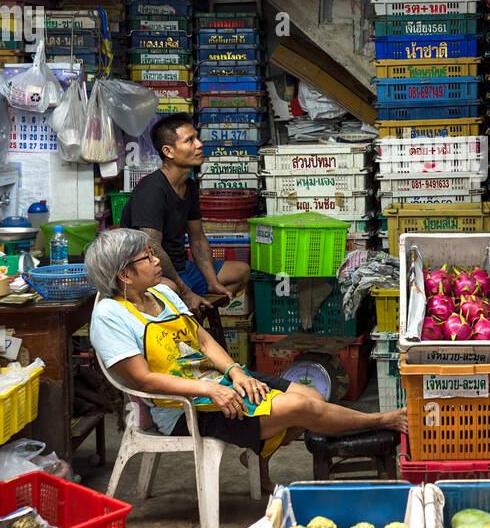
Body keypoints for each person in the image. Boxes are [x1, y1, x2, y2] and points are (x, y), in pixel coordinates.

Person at [85, 229, 407, 493]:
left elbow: (203, 339)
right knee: (302, 409)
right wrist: (209, 390)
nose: (158, 261)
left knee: (314, 396)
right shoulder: (110, 317)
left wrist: (235, 372)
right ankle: (382, 420)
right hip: (183, 408)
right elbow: (143, 380)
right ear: (124, 274)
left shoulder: (162, 293)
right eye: (148, 257)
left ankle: (258, 457)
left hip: (219, 383)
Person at [121, 113, 251, 314]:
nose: (199, 145)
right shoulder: (152, 190)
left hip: (181, 267)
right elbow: (151, 246)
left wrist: (212, 282)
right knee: (171, 290)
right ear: (168, 151)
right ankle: (190, 321)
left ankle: (196, 318)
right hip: (150, 272)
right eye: (189, 140)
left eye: (197, 138)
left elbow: (197, 239)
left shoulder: (188, 186)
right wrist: (184, 290)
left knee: (240, 272)